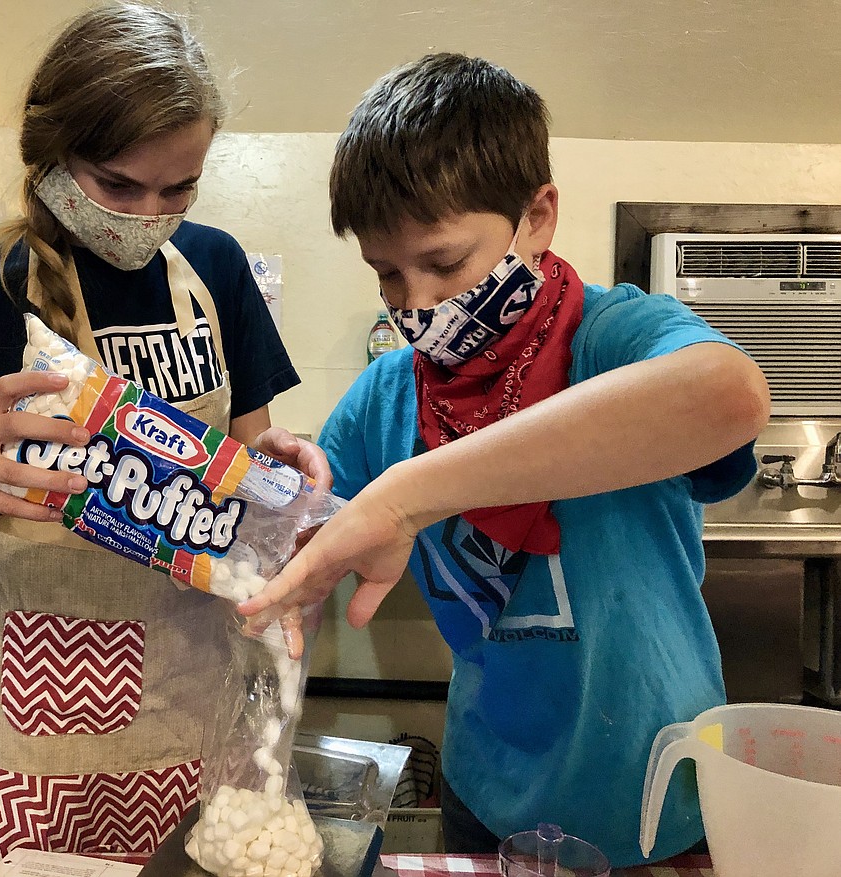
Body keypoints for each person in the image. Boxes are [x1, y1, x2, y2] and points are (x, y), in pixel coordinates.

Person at [0, 4, 327, 875]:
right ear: (51, 156)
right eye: (118, 185)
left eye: (180, 190)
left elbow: (247, 505)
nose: (150, 215)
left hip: (186, 716)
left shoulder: (217, 275)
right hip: (12, 734)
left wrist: (278, 485)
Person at [238, 54, 769, 867]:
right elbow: (309, 531)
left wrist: (409, 495)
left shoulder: (614, 339)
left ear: (537, 216)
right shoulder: (389, 395)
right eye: (386, 272)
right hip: (484, 792)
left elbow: (730, 395)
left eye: (445, 263)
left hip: (656, 795)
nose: (414, 302)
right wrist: (279, 490)